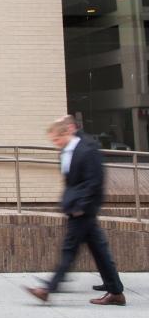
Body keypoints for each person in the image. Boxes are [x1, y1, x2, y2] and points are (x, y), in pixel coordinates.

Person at [25, 116, 126, 306]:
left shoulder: (87, 150)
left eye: (56, 139)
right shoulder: (65, 152)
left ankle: (48, 289)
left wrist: (81, 206)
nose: (55, 144)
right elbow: (70, 182)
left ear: (67, 132)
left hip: (82, 210)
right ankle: (116, 292)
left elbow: (95, 181)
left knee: (69, 250)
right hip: (75, 208)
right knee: (100, 251)